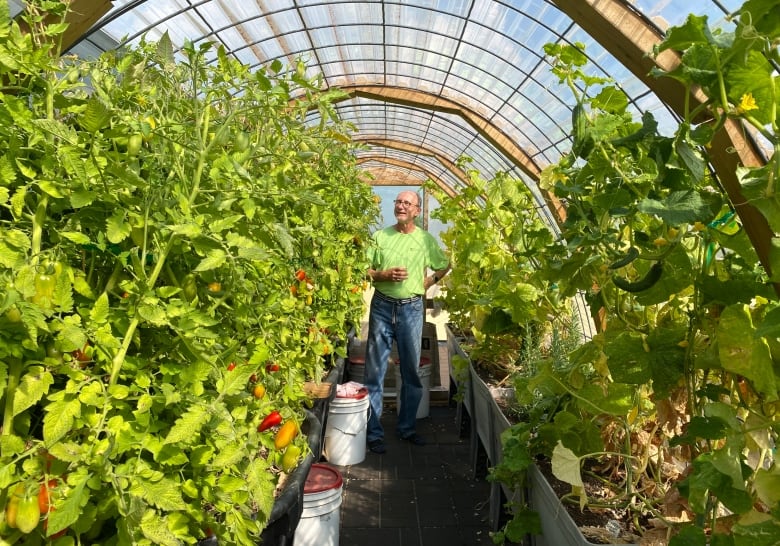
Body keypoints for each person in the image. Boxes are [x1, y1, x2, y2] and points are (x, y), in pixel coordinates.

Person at [364, 190, 450, 454]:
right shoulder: (380, 237)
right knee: (375, 372)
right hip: (381, 306)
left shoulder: (425, 239)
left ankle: (407, 428)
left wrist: (427, 282)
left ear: (417, 210)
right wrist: (383, 274)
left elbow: (444, 265)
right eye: (398, 202)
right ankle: (373, 432)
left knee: (411, 372)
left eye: (407, 203)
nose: (401, 206)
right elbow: (365, 270)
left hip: (411, 309)